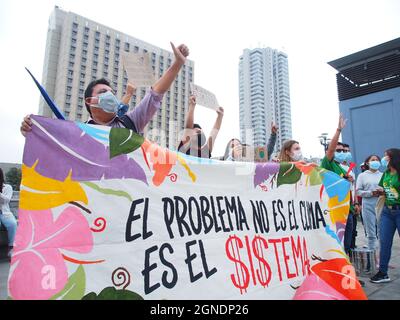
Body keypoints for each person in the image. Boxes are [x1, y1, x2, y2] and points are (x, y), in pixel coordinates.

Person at [20, 43, 189, 136]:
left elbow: (154, 95)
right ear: (89, 101)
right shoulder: (74, 132)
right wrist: (31, 130)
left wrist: (177, 64)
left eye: (112, 93)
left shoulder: (131, 122)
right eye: (102, 92)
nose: (110, 95)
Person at [370, 148, 400, 283]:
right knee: (385, 242)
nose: (383, 159)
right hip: (387, 212)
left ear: (393, 158)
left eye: (386, 156)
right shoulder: (386, 173)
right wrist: (379, 191)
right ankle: (383, 272)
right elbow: (384, 190)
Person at [177, 94, 224, 158]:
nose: (198, 130)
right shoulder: (184, 147)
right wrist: (192, 106)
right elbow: (188, 128)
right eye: (195, 130)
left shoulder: (206, 151)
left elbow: (214, 133)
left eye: (200, 130)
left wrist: (220, 116)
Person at [356, 155, 382, 251]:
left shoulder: (383, 175)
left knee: (381, 232)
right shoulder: (362, 176)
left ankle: (381, 256)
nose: (375, 161)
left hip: (381, 205)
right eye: (373, 160)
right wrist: (371, 193)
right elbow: (358, 191)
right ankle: (372, 258)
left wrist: (382, 192)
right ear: (367, 163)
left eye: (377, 160)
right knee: (371, 233)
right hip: (367, 206)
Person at [0, 168, 17, 260]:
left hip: (5, 212)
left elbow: (6, 200)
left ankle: (11, 248)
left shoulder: (7, 187)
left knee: (12, 224)